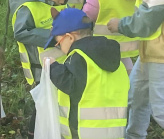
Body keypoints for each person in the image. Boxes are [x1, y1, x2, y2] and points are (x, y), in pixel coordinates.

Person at [107, 0, 164, 138]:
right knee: (136, 97)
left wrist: (121, 25)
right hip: (150, 49)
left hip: (160, 52)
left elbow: (149, 19)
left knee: (160, 109)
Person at [43, 7, 129, 138]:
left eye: (58, 43)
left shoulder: (79, 56)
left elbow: (72, 85)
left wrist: (53, 67)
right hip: (115, 130)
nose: (59, 47)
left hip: (86, 130)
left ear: (70, 37)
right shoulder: (110, 55)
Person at [10, 0, 77, 86]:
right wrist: (53, 36)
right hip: (40, 72)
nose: (62, 2)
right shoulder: (28, 7)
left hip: (61, 67)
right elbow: (20, 33)